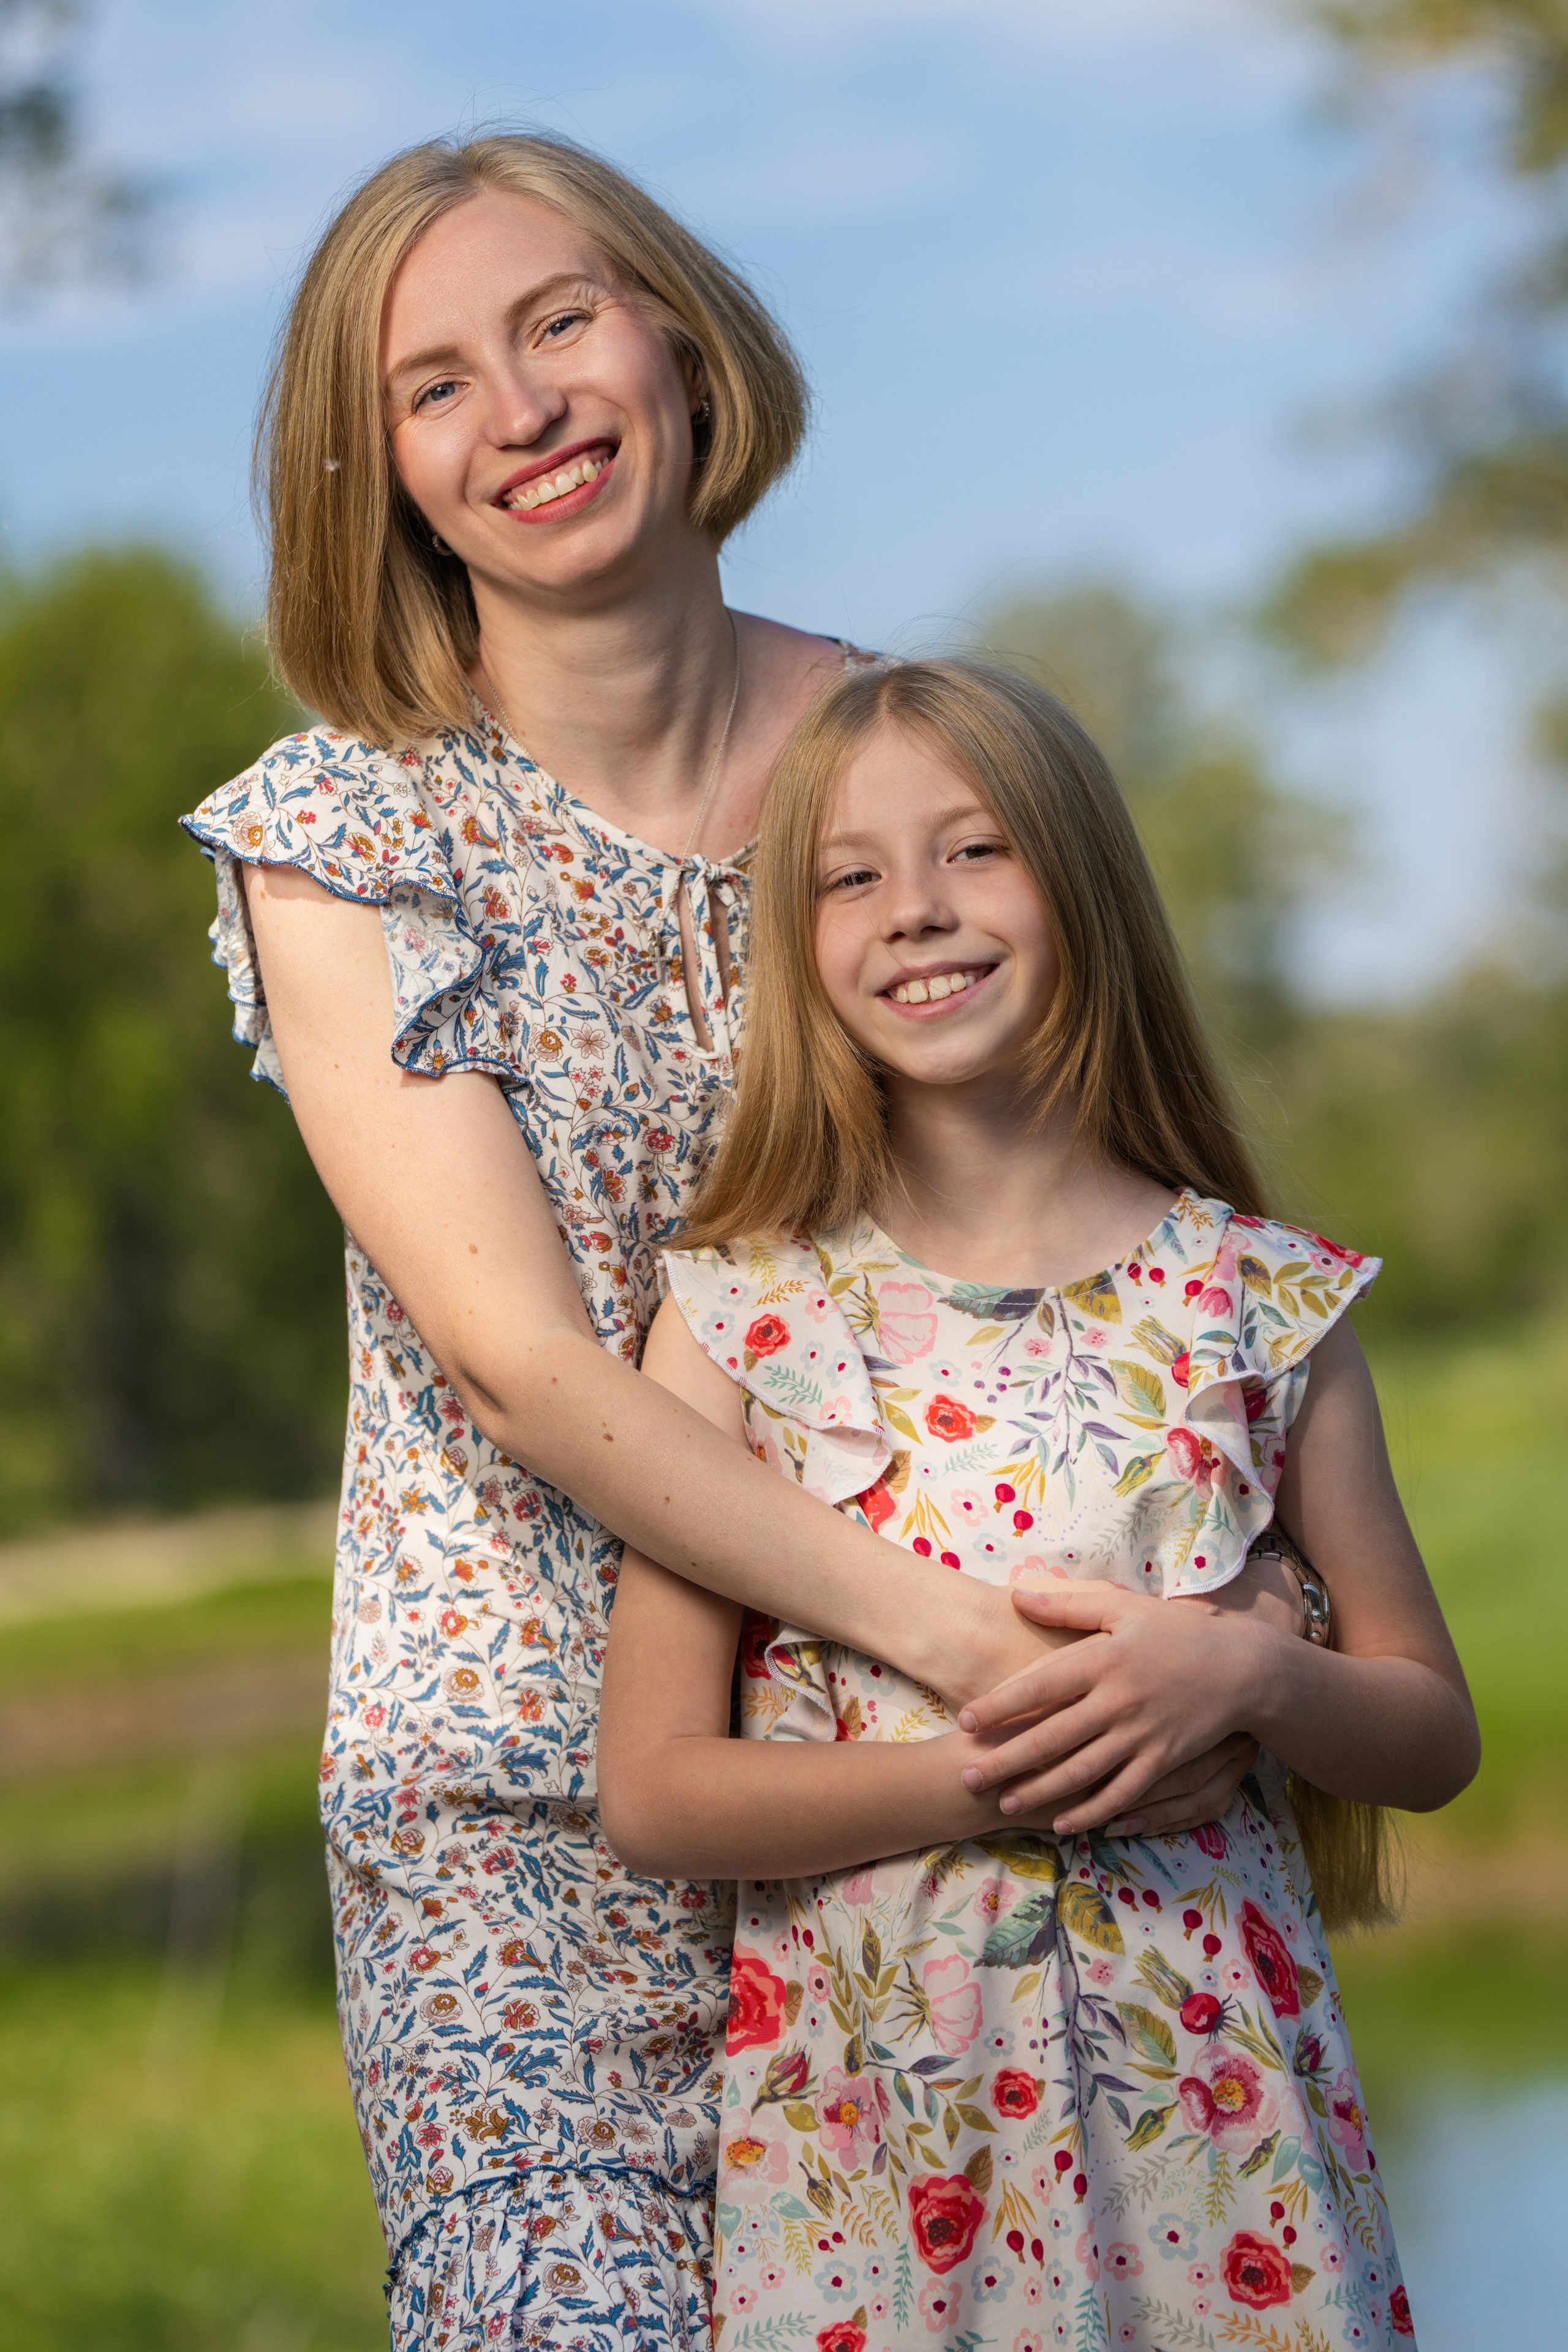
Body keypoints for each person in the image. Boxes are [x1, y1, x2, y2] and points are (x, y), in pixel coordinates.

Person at [182, 135, 1303, 2351]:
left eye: (561, 322)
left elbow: (1126, 1220)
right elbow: (533, 1376)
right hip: (528, 1817)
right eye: (432, 385)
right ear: (383, 471)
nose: (521, 411)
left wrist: (1250, 1607)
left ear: (682, 344)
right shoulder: (341, 839)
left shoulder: (904, 773)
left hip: (939, 1798)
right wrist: (985, 1655)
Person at [597, 657, 1479, 2351]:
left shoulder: (1259, 1305)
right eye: (850, 877)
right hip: (876, 2160)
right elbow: (653, 1790)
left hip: (1228, 2155)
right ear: (802, 941)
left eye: (975, 851)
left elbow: (1431, 1734)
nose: (914, 911)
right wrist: (984, 1774)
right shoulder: (735, 1320)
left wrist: (1256, 1679)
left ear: (1082, 883)